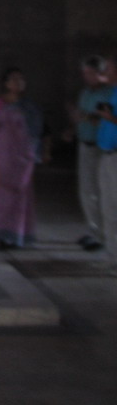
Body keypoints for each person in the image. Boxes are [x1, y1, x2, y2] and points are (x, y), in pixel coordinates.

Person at [0, 67, 43, 249]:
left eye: (21, 79)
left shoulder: (29, 107)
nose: (18, 83)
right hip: (1, 155)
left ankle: (19, 235)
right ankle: (3, 234)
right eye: (14, 79)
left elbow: (36, 132)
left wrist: (39, 152)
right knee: (1, 195)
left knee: (20, 195)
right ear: (6, 83)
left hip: (22, 157)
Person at [65, 55, 107, 250]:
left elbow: (104, 119)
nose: (87, 77)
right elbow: (81, 117)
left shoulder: (108, 94)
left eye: (90, 73)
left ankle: (104, 234)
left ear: (100, 74)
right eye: (85, 73)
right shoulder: (85, 93)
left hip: (101, 147)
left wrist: (85, 117)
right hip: (85, 144)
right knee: (86, 190)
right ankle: (93, 230)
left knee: (102, 191)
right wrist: (72, 129)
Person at [95, 53, 117, 260]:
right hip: (107, 155)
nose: (104, 73)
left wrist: (111, 118)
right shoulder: (112, 93)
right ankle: (113, 254)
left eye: (108, 69)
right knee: (108, 208)